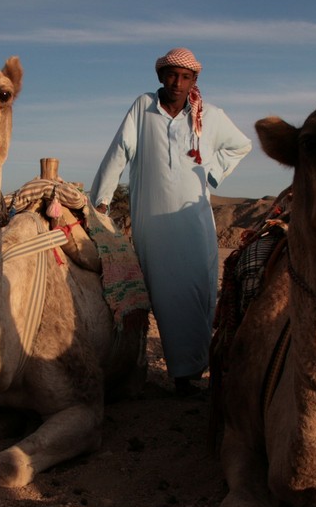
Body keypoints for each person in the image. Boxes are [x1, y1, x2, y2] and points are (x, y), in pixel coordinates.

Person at [90, 48, 252, 396]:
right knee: (161, 293)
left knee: (196, 292)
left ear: (195, 80)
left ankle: (189, 373)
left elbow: (241, 145)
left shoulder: (209, 116)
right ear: (160, 75)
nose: (177, 82)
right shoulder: (143, 108)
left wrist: (209, 176)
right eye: (171, 74)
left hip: (193, 221)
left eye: (185, 76)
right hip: (152, 221)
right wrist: (99, 201)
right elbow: (120, 149)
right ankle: (172, 373)